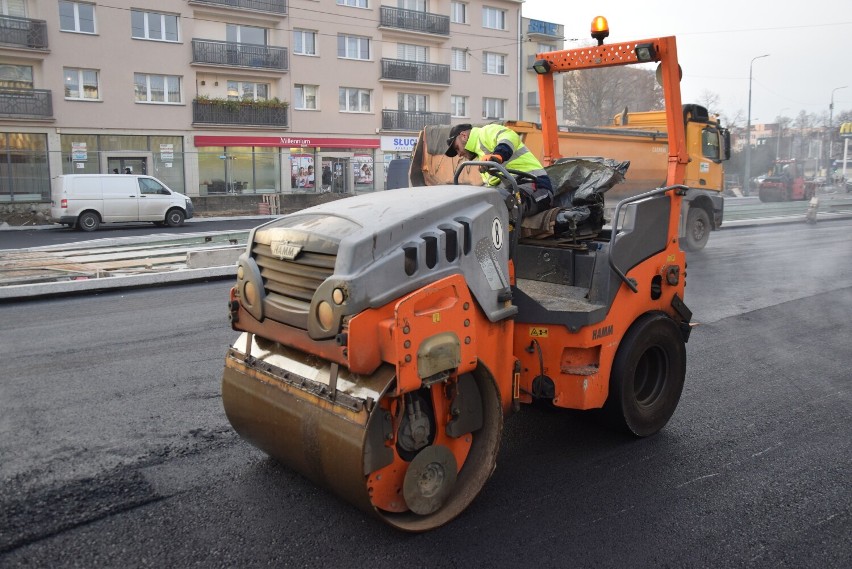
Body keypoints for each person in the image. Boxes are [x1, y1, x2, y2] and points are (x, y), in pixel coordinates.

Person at [445, 123, 553, 216]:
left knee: (503, 204)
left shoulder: (485, 132)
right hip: (513, 188)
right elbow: (492, 186)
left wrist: (498, 155)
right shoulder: (480, 157)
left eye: (457, 148)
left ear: (463, 136)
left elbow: (510, 136)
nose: (458, 155)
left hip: (536, 186)